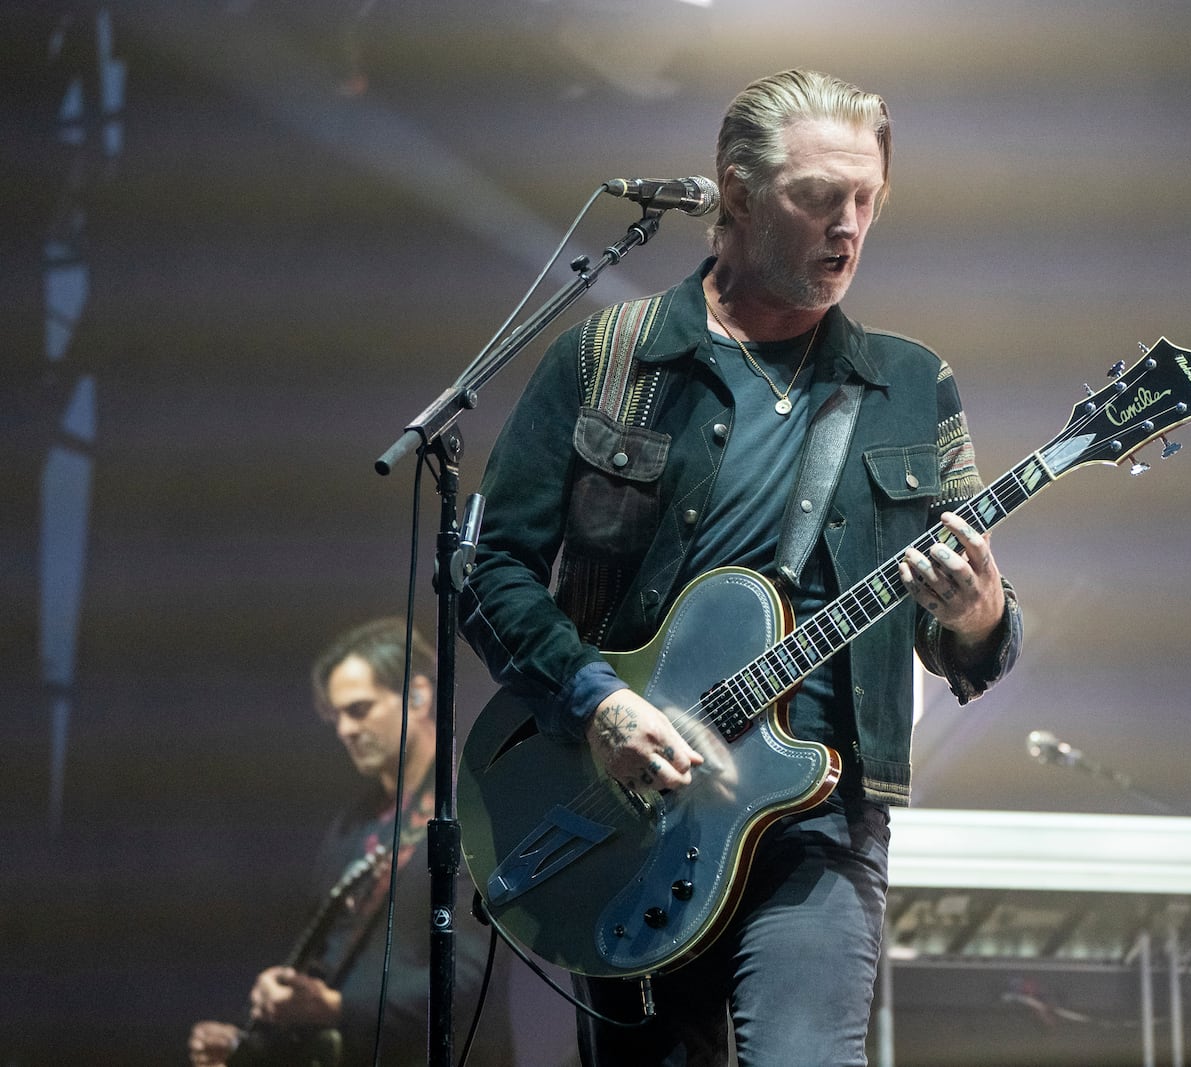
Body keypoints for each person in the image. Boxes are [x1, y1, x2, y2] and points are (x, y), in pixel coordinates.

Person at [460, 68, 1023, 1066]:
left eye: (865, 200)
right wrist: (598, 704)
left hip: (822, 809)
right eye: (818, 197)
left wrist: (977, 616)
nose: (845, 227)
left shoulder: (910, 384)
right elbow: (491, 566)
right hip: (633, 797)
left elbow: (956, 631)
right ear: (735, 194)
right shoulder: (607, 358)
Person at [188, 618, 514, 1067]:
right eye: (336, 715)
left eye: (359, 709)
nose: (344, 729)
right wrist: (264, 1023)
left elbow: (473, 978)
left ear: (418, 696)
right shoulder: (351, 826)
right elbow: (326, 962)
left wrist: (335, 1007)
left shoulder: (473, 810)